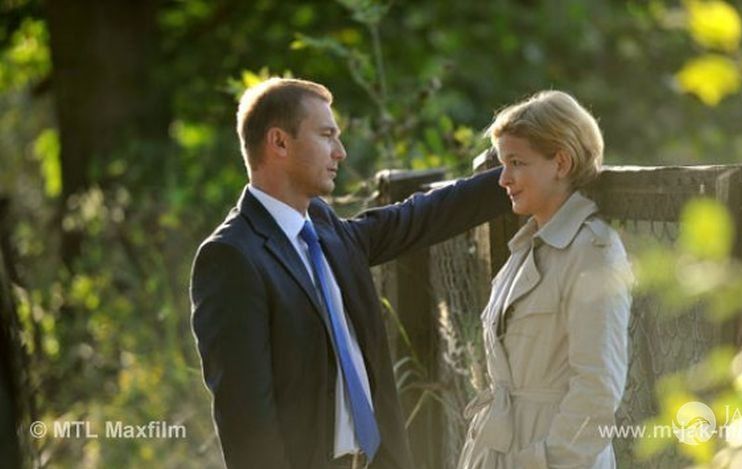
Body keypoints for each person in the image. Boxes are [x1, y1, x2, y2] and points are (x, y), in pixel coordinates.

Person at [189, 77, 509, 469]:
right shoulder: (231, 257)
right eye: (326, 135)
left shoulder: (323, 226)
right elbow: (247, 420)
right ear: (279, 143)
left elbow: (413, 219)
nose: (340, 152)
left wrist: (512, 179)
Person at [458, 91, 633, 469]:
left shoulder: (593, 252)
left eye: (516, 163)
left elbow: (598, 390)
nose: (503, 179)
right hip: (501, 448)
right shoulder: (525, 249)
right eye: (503, 164)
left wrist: (543, 461)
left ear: (561, 162)